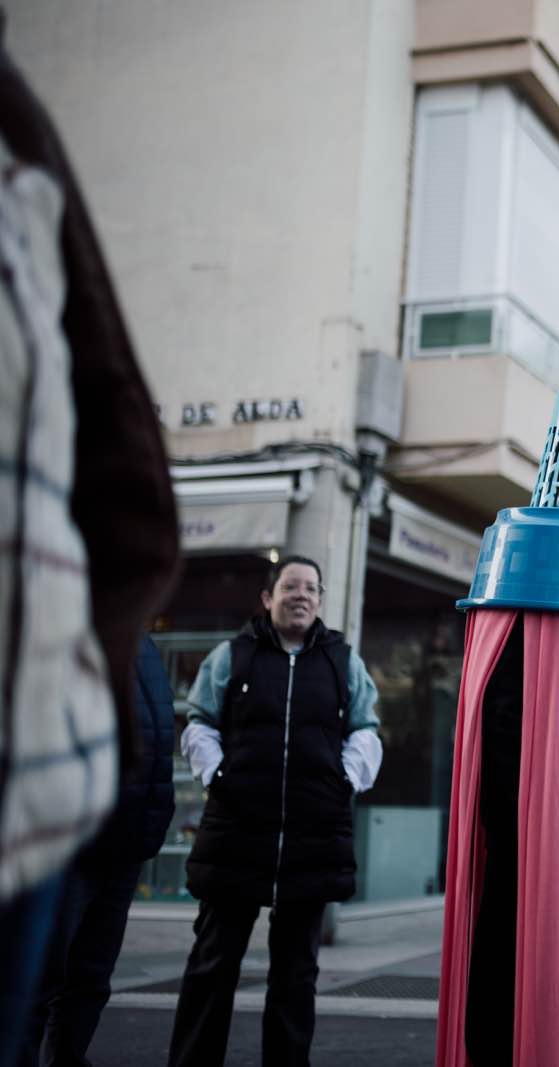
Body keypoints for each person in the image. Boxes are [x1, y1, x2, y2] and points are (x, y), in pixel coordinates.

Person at [0, 35, 182, 1067]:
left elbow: (116, 465)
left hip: (66, 812)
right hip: (48, 812)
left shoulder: (18, 129)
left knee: (81, 989)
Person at [169, 556, 383, 1067]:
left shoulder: (342, 661)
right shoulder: (232, 656)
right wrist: (218, 777)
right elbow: (199, 723)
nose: (301, 595)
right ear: (268, 597)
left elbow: (365, 729)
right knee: (212, 967)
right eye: (290, 586)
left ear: (320, 600)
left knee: (295, 977)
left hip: (312, 842)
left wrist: (346, 780)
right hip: (235, 838)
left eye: (311, 588)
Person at [23, 636, 174, 1066]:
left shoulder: (139, 640)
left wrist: (153, 820)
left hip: (124, 846)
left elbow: (155, 733)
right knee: (39, 982)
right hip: (71, 849)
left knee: (91, 979)